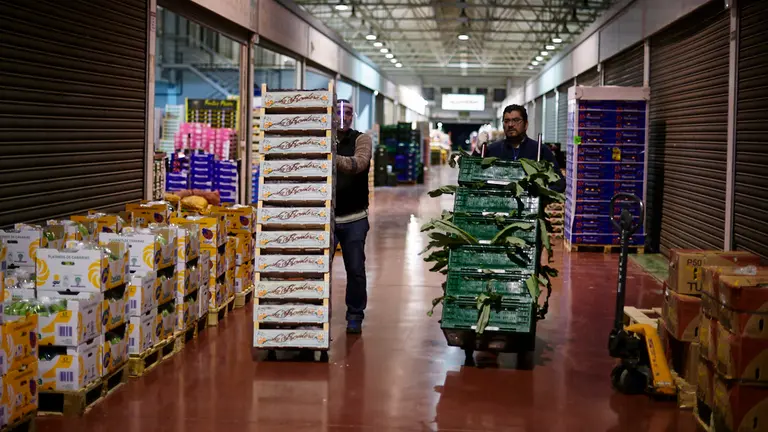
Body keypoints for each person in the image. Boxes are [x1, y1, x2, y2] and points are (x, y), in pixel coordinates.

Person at [333, 99, 373, 334]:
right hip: (326, 218)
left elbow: (359, 164)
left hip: (354, 218)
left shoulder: (362, 139)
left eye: (348, 112)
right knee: (317, 268)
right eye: (339, 112)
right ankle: (314, 311)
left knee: (355, 269)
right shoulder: (322, 137)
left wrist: (328, 156)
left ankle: (355, 314)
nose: (344, 116)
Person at [476, 104, 565, 192]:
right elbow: (471, 176)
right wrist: (478, 150)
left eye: (516, 120)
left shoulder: (540, 150)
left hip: (530, 204)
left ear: (526, 125)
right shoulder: (493, 149)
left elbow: (559, 182)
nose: (510, 124)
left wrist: (542, 191)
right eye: (506, 121)